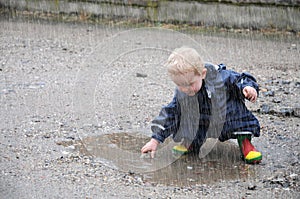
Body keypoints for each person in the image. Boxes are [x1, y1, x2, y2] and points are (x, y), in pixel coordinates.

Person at [141, 46, 262, 164]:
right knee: (183, 117)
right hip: (202, 120)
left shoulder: (221, 77)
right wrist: (155, 140)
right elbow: (169, 114)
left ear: (202, 74)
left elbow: (241, 79)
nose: (185, 89)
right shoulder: (182, 93)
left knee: (241, 121)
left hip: (228, 115)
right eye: (180, 84)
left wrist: (248, 87)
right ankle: (192, 142)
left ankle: (246, 144)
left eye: (190, 83)